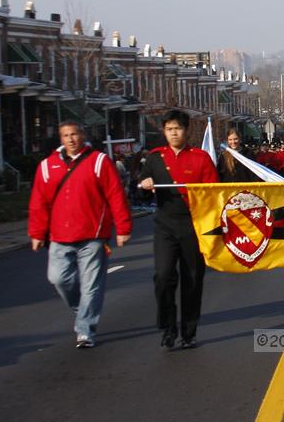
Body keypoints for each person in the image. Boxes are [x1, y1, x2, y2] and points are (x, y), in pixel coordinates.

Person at [28, 121, 132, 349]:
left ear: (82, 136)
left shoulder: (98, 162)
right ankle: (83, 309)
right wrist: (37, 233)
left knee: (91, 286)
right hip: (59, 236)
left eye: (74, 134)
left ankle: (85, 330)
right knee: (58, 279)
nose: (71, 139)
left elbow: (115, 195)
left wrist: (122, 228)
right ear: (60, 139)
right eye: (65, 135)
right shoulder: (47, 166)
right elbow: (38, 202)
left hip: (92, 236)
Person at [139, 110, 220, 350]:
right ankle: (167, 327)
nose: (174, 133)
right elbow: (142, 187)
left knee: (192, 279)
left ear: (187, 130)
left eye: (178, 128)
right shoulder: (155, 158)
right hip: (165, 224)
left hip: (194, 225)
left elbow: (214, 191)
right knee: (163, 276)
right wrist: (145, 185)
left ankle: (188, 331)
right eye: (169, 129)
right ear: (164, 131)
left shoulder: (200, 157)